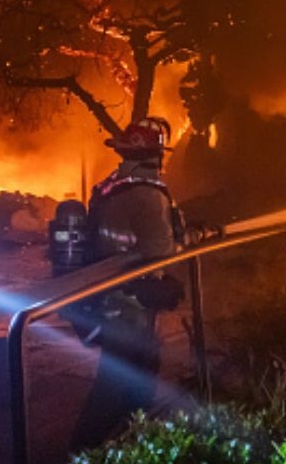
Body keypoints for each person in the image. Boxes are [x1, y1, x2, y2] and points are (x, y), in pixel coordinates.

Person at [68, 116, 185, 451]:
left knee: (133, 379)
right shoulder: (147, 193)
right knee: (122, 384)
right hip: (128, 306)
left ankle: (123, 448)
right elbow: (160, 250)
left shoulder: (115, 185)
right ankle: (84, 453)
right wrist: (183, 237)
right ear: (156, 154)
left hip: (111, 301)